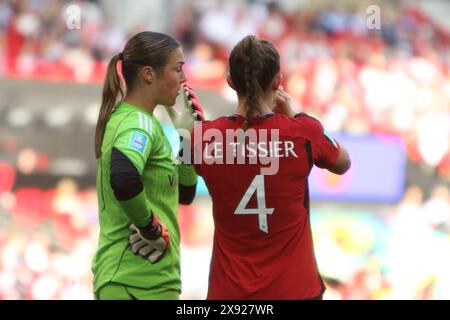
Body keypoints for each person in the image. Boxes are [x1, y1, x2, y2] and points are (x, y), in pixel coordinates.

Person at [190, 35, 351, 299]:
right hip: (296, 289)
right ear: (278, 80)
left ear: (230, 81)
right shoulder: (303, 131)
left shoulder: (203, 137)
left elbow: (197, 166)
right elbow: (343, 163)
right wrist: (293, 115)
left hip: (230, 293)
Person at [92, 31, 204, 300]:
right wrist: (150, 227)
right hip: (133, 281)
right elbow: (123, 176)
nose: (184, 78)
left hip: (149, 281)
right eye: (177, 69)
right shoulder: (136, 122)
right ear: (148, 74)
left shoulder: (148, 123)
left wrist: (187, 139)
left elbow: (185, 195)